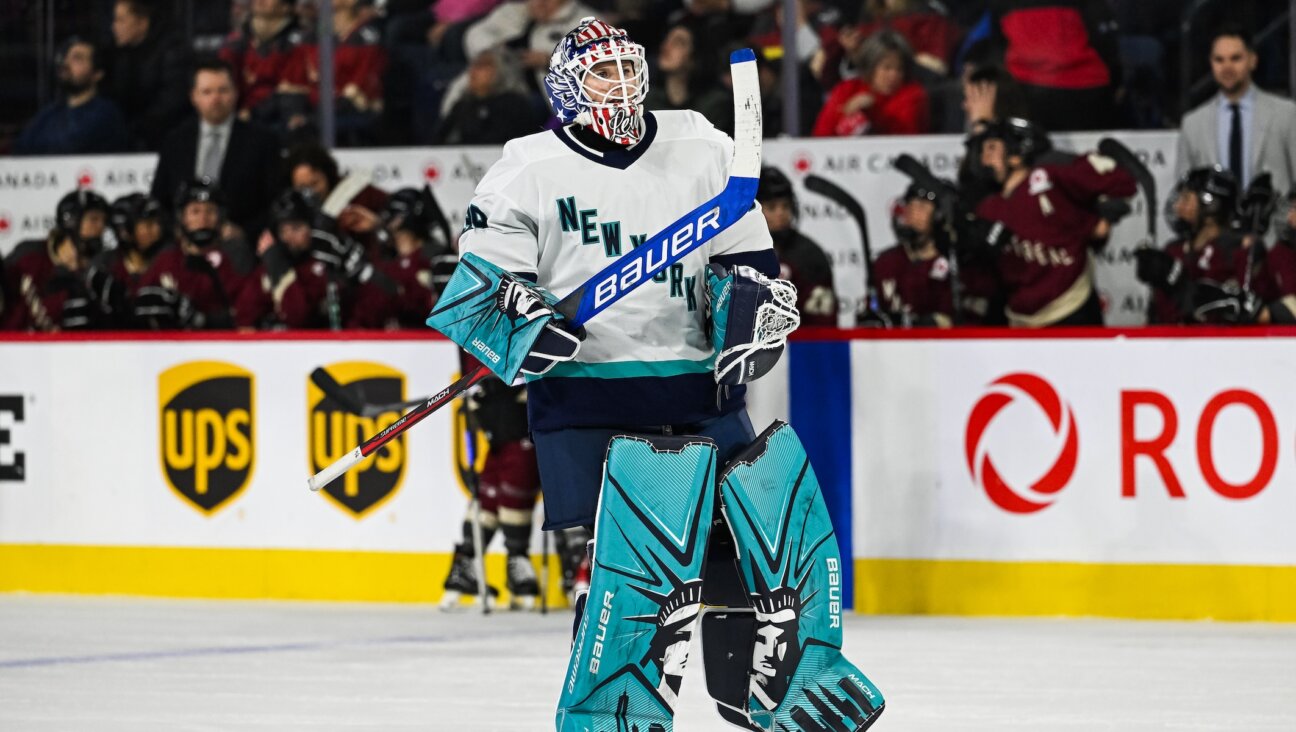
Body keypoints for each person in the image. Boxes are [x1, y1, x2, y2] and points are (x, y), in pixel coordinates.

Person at [424, 17, 883, 730]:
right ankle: (614, 710)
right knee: (637, 574)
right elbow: (486, 284)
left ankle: (770, 690)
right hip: (586, 400)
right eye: (602, 72)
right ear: (567, 86)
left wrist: (749, 311)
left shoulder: (699, 141)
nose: (622, 83)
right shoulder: (526, 165)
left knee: (759, 537)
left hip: (700, 388)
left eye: (627, 66)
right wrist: (525, 319)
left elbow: (748, 261)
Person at [967, 117, 1136, 326]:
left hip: (1071, 309)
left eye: (992, 148)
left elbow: (1118, 179)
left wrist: (1105, 216)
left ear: (1016, 153)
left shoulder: (1050, 177)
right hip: (1019, 320)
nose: (984, 158)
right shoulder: (988, 208)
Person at [1176, 27, 1296, 234]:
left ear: (1253, 60)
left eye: (1235, 58)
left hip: (1273, 243)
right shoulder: (1193, 123)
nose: (1227, 67)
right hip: (1215, 246)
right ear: (1211, 63)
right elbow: (1184, 190)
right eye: (1219, 60)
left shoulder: (1286, 113)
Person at [440, 376, 543, 610]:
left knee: (513, 500)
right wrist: (478, 392)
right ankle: (465, 564)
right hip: (496, 442)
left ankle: (517, 562)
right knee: (486, 501)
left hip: (521, 439)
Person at [151, 59, 282, 239]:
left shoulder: (262, 142)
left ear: (235, 93)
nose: (215, 99)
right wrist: (178, 231)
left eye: (223, 90)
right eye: (207, 92)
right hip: (183, 246)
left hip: (242, 248)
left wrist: (243, 232)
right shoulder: (175, 142)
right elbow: (159, 201)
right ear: (193, 97)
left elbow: (275, 204)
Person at [1136, 167, 1260, 324]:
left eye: (1186, 198)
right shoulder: (1173, 251)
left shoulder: (1237, 251)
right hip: (1168, 345)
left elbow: (1238, 312)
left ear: (1211, 205)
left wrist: (1177, 281)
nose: (1177, 206)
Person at [135, 178, 255, 330]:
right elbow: (142, 304)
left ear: (221, 217)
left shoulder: (235, 256)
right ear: (182, 217)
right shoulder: (166, 259)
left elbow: (246, 313)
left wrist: (204, 320)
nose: (203, 219)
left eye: (210, 211)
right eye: (195, 211)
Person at [12, 38, 130, 155]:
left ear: (97, 74)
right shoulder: (50, 113)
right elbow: (21, 148)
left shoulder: (106, 113)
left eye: (77, 58)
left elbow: (72, 147)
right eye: (66, 57)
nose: (66, 63)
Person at [102, 0, 193, 150]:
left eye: (121, 20)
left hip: (167, 137)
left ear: (142, 22)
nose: (114, 27)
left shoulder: (173, 48)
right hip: (133, 136)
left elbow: (173, 99)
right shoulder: (119, 54)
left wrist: (138, 127)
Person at [756, 166, 838, 326]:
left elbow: (823, 322)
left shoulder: (809, 254)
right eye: (772, 207)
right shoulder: (739, 249)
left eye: (785, 206)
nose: (781, 213)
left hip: (801, 346)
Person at [812, 29, 929, 137]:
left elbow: (906, 137)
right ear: (870, 67)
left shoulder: (913, 94)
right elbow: (821, 135)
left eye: (899, 69)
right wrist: (847, 113)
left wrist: (871, 115)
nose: (894, 75)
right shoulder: (847, 90)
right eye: (887, 68)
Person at [873, 180, 956, 327]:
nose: (912, 213)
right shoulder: (885, 264)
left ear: (939, 215)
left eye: (922, 207)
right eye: (909, 206)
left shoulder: (955, 264)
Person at [433, 49, 545, 144]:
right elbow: (437, 141)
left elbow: (497, 143)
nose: (473, 70)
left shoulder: (514, 105)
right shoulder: (462, 105)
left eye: (483, 65)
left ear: (503, 70)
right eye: (473, 65)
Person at [218, 0, 305, 119]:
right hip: (238, 118)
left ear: (286, 7)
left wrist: (253, 112)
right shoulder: (235, 43)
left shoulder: (299, 45)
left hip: (279, 120)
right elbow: (223, 82)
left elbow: (291, 92)